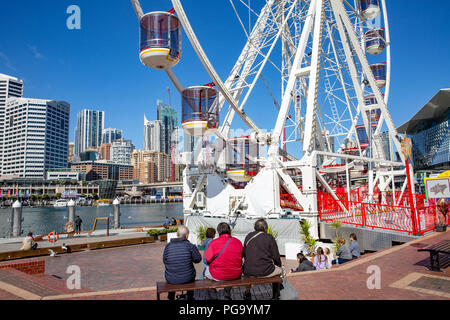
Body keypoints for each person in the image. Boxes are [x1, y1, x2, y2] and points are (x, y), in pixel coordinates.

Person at [243, 219, 283, 300]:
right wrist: (279, 265)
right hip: (265, 271)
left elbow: (244, 254)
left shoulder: (248, 236)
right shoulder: (269, 237)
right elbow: (276, 257)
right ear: (266, 228)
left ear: (255, 228)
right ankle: (275, 295)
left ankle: (248, 293)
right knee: (280, 271)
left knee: (248, 272)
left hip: (248, 271)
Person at [204, 223, 243, 300]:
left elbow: (207, 259)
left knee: (206, 275)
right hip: (235, 274)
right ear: (229, 230)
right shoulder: (238, 242)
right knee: (229, 274)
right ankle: (227, 295)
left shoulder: (214, 243)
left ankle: (213, 297)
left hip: (217, 275)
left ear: (218, 231)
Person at [163, 225, 202, 300]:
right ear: (187, 236)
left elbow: (165, 261)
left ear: (177, 235)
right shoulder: (190, 246)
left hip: (171, 278)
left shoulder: (168, 246)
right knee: (189, 274)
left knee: (173, 272)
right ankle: (190, 297)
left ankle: (171, 297)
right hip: (188, 278)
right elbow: (198, 259)